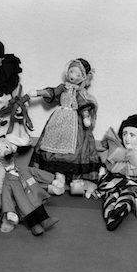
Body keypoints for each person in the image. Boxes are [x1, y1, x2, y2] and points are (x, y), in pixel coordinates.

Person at [28, 58, 100, 195]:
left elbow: (83, 105)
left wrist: (85, 116)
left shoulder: (80, 93)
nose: (73, 76)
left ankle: (76, 182)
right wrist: (38, 92)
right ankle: (59, 179)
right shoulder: (63, 87)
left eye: (77, 74)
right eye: (71, 71)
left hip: (74, 122)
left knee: (75, 149)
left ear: (83, 77)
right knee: (55, 147)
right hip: (59, 120)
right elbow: (52, 92)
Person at [85, 114, 137, 231]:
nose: (127, 138)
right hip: (114, 182)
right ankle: (110, 216)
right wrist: (100, 176)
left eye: (132, 135)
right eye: (124, 134)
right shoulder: (117, 151)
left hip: (132, 186)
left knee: (128, 195)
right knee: (110, 195)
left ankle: (119, 212)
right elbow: (106, 165)